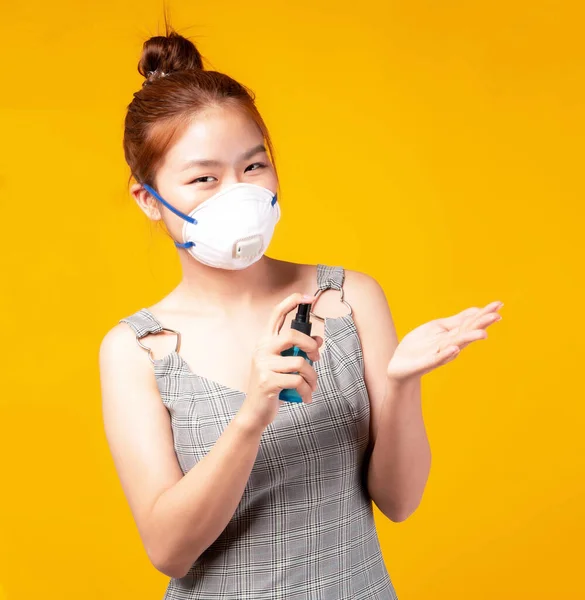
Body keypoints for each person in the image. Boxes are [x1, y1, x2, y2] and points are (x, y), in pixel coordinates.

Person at [99, 26, 503, 600]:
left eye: (254, 166)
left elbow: (400, 501)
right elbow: (169, 550)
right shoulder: (138, 349)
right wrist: (252, 414)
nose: (236, 194)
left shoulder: (351, 298)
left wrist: (403, 384)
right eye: (203, 179)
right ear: (148, 198)